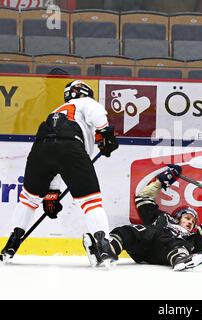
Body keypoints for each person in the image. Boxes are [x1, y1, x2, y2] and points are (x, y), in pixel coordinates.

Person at [1, 80, 119, 268]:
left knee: (29, 200)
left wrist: (51, 194)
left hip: (40, 149)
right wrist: (108, 135)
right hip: (71, 147)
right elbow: (98, 119)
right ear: (84, 92)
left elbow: (55, 158)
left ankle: (12, 243)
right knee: (91, 202)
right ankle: (104, 246)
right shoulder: (85, 102)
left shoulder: (55, 112)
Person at [83, 165, 202, 271]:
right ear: (177, 217)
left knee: (177, 242)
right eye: (187, 218)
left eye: (193, 222)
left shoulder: (191, 237)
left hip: (165, 254)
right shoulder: (162, 219)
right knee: (128, 231)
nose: (190, 222)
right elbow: (144, 198)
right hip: (143, 249)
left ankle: (180, 260)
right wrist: (161, 181)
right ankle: (103, 251)